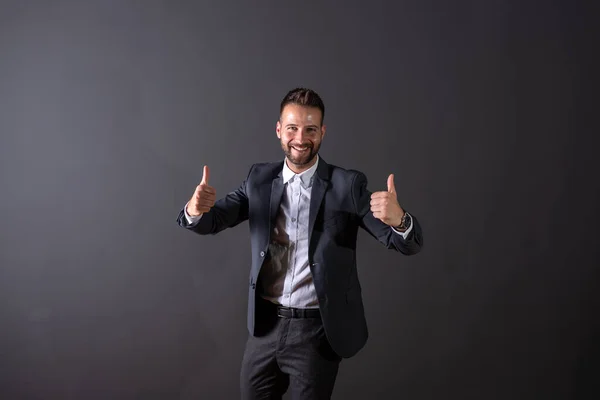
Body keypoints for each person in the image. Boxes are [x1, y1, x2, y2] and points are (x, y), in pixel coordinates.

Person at [176, 88, 423, 399]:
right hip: (265, 327)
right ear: (279, 129)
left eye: (310, 129)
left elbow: (406, 244)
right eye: (292, 128)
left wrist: (400, 219)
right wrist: (195, 210)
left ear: (322, 132)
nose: (300, 138)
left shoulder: (347, 186)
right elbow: (213, 221)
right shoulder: (259, 179)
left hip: (317, 333)